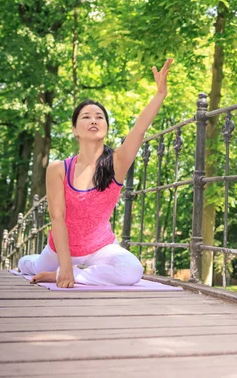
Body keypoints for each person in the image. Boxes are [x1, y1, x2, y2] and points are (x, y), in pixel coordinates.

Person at [18, 59, 174, 288]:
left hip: (100, 248)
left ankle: (67, 273)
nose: (93, 120)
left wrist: (160, 93)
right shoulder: (58, 169)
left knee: (133, 271)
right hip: (61, 249)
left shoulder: (117, 163)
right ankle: (38, 264)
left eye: (99, 117)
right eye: (86, 116)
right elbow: (58, 219)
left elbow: (140, 129)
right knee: (27, 265)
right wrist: (65, 265)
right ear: (74, 130)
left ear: (106, 127)